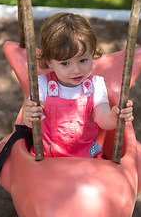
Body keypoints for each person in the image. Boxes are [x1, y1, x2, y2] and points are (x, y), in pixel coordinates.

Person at [23, 12, 134, 159]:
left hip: (86, 158)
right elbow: (30, 124)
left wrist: (114, 117)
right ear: (49, 61)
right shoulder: (41, 85)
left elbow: (102, 119)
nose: (76, 70)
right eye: (65, 63)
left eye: (83, 60)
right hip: (48, 158)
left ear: (92, 54)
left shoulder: (96, 84)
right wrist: (29, 115)